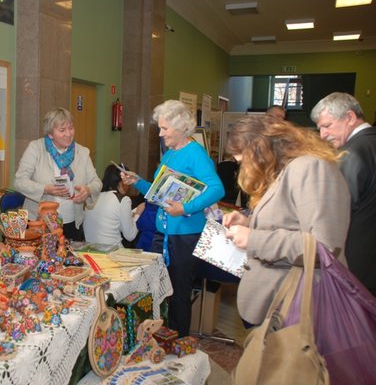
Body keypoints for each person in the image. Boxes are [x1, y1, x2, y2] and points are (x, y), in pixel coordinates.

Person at [222, 115, 351, 325]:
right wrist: (249, 221)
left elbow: (325, 247)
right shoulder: (284, 169)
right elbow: (288, 218)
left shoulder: (311, 168)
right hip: (276, 302)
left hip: (296, 307)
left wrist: (254, 239)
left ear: (260, 150)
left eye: (244, 161)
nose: (244, 169)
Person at [121, 99, 225, 336]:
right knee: (160, 289)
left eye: (165, 128)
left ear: (182, 128)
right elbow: (159, 194)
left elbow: (217, 189)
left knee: (179, 293)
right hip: (163, 233)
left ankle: (179, 343)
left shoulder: (195, 154)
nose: (160, 133)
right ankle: (162, 334)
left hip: (184, 236)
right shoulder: (170, 153)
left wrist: (186, 207)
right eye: (160, 127)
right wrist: (138, 181)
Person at [311, 92, 376, 295]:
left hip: (357, 264)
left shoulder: (352, 153)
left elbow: (337, 212)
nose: (322, 135)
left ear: (349, 117)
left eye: (327, 126)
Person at [14, 107, 102, 241]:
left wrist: (88, 190)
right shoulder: (36, 148)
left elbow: (97, 182)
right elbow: (19, 182)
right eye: (62, 130)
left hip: (72, 223)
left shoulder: (82, 152)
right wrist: (45, 189)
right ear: (50, 134)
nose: (68, 133)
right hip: (40, 223)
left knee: (71, 261)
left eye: (71, 128)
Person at [83, 164, 143, 247]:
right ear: (122, 181)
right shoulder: (123, 200)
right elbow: (130, 235)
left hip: (92, 252)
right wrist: (138, 214)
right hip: (113, 253)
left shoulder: (93, 197)